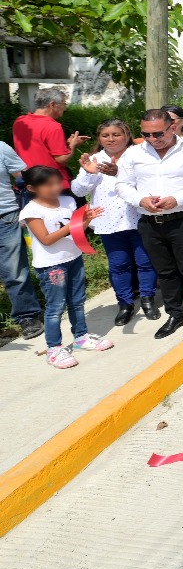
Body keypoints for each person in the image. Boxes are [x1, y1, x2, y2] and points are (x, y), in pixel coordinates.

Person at [115, 109, 183, 340]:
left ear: (172, 127)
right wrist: (139, 200)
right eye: (146, 134)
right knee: (166, 272)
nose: (152, 139)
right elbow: (122, 185)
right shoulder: (134, 154)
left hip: (181, 219)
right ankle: (175, 313)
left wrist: (177, 199)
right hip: (149, 222)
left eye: (158, 133)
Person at [20, 166, 108, 369]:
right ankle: (54, 349)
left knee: (77, 301)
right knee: (55, 308)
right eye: (48, 185)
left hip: (74, 257)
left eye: (58, 183)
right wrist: (73, 225)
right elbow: (46, 239)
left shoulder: (68, 201)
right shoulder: (31, 211)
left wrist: (86, 220)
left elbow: (77, 231)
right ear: (32, 188)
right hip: (52, 267)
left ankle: (81, 337)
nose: (55, 188)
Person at [72, 119, 158, 327]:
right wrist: (90, 175)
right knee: (119, 265)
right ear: (100, 138)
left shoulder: (139, 155)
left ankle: (147, 299)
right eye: (105, 136)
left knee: (145, 262)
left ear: (127, 136)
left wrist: (119, 171)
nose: (111, 139)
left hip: (138, 218)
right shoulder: (94, 159)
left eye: (116, 135)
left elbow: (151, 181)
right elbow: (78, 191)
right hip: (108, 222)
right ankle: (125, 304)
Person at [0, 139, 43, 339]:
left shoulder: (1, 147)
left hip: (5, 216)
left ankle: (28, 316)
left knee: (14, 270)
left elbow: (24, 176)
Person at [12, 88, 88, 193]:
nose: (65, 107)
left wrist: (66, 144)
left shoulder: (20, 121)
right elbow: (61, 159)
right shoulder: (53, 127)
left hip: (27, 180)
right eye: (63, 103)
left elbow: (39, 147)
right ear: (52, 104)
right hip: (51, 182)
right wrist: (73, 145)